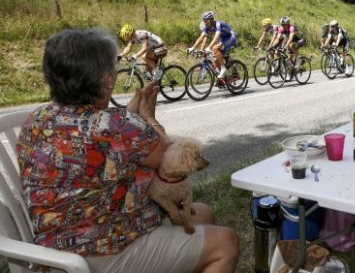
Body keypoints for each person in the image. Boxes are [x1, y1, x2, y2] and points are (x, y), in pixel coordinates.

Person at [17, 29, 239, 273]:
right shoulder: (119, 126)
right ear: (107, 80)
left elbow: (101, 142)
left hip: (53, 249)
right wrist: (148, 118)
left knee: (203, 213)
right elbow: (170, 162)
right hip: (100, 251)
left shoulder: (36, 120)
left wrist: (131, 119)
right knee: (225, 244)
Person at [188, 11, 237, 79]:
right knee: (215, 57)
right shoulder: (207, 27)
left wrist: (209, 48)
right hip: (223, 38)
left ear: (210, 20)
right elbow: (201, 37)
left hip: (231, 37)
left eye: (205, 21)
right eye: (203, 21)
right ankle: (223, 77)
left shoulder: (218, 24)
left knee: (214, 48)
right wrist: (192, 47)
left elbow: (216, 37)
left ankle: (223, 69)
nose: (204, 22)